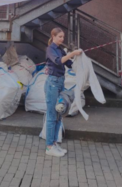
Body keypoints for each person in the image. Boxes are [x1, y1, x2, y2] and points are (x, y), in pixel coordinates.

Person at [44, 27, 82, 157]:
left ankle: (54, 143)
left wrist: (79, 59)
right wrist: (71, 54)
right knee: (52, 115)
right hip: (52, 84)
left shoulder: (60, 49)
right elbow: (58, 61)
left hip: (60, 82)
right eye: (59, 36)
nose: (62, 39)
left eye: (63, 37)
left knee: (60, 113)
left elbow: (69, 64)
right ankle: (49, 147)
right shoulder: (50, 49)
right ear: (53, 36)